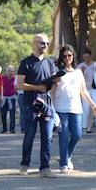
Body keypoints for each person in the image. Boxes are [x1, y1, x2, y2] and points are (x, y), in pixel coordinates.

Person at [17, 34, 61, 177]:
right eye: (42, 43)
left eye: (47, 43)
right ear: (34, 44)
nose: (45, 46)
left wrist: (57, 79)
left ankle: (45, 168)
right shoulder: (26, 63)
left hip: (47, 104)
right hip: (30, 103)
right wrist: (37, 88)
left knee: (47, 136)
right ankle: (25, 165)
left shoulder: (50, 63)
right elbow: (19, 85)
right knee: (29, 136)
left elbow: (55, 83)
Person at [52, 45, 96, 172]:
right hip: (61, 108)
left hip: (75, 108)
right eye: (65, 56)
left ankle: (67, 156)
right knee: (63, 136)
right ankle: (63, 164)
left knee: (77, 135)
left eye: (69, 55)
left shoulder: (78, 72)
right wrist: (52, 108)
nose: (67, 58)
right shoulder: (57, 72)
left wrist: (93, 105)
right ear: (61, 58)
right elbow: (52, 91)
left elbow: (83, 91)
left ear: (73, 57)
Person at [77, 49, 96, 134]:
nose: (86, 59)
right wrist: (81, 71)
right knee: (85, 108)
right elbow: (77, 78)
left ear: (90, 56)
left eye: (87, 57)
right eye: (84, 57)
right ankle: (84, 127)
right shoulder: (81, 66)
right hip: (85, 90)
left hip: (95, 89)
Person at [0, 65, 18, 134]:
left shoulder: (15, 79)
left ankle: (12, 129)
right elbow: (0, 87)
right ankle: (4, 129)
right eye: (9, 71)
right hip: (4, 98)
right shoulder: (3, 78)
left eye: (12, 71)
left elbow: (16, 88)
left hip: (12, 98)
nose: (11, 73)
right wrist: (0, 96)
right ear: (7, 72)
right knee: (3, 114)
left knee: (12, 114)